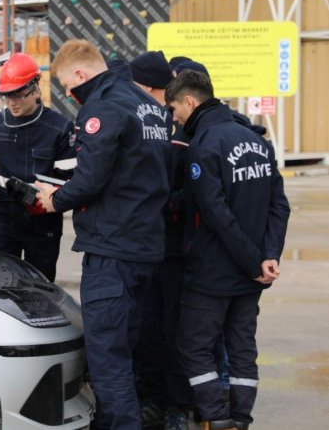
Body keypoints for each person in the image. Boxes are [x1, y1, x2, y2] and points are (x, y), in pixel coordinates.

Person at [36, 39, 172, 430]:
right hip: (146, 244)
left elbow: (91, 177)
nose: (67, 93)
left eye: (65, 85)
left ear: (81, 74)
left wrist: (54, 199)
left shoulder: (103, 106)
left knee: (107, 353)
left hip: (114, 249)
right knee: (127, 346)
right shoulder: (145, 102)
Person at [164, 70, 289, 430]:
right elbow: (278, 206)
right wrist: (269, 257)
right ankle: (241, 420)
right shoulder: (257, 142)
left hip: (213, 274)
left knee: (192, 346)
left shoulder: (204, 146)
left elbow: (216, 214)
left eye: (174, 109)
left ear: (189, 101)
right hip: (252, 276)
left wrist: (254, 262)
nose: (173, 118)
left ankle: (218, 420)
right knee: (242, 349)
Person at [0, 52, 75, 282]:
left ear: (35, 89)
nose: (12, 102)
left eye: (18, 95)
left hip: (43, 223)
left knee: (42, 287)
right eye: (7, 96)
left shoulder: (60, 128)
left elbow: (69, 178)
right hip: (2, 221)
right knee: (2, 288)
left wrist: (52, 200)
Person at [129, 51, 193, 430]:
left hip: (175, 252)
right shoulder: (138, 124)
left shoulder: (182, 133)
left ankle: (176, 407)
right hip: (140, 249)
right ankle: (151, 398)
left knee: (175, 332)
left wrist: (164, 202)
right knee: (146, 329)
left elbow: (196, 192)